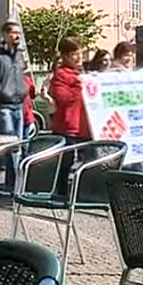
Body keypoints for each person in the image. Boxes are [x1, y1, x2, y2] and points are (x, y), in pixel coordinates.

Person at [0, 20, 28, 187]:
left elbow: (20, 76)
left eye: (18, 33)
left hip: (19, 103)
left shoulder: (20, 55)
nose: (16, 36)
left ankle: (1, 177)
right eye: (13, 33)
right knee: (12, 144)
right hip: (3, 104)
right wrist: (1, 89)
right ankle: (14, 185)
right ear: (5, 35)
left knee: (16, 145)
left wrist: (24, 89)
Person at [50, 37, 91, 195]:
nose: (79, 57)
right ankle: (61, 192)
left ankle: (85, 191)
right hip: (67, 128)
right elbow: (62, 98)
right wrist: (78, 86)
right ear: (66, 56)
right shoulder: (61, 75)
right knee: (65, 163)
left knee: (89, 161)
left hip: (85, 127)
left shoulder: (82, 74)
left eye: (80, 53)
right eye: (74, 54)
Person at [23, 69, 37, 139]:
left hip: (26, 114)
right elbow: (33, 94)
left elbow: (33, 94)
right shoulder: (26, 80)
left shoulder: (27, 80)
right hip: (26, 114)